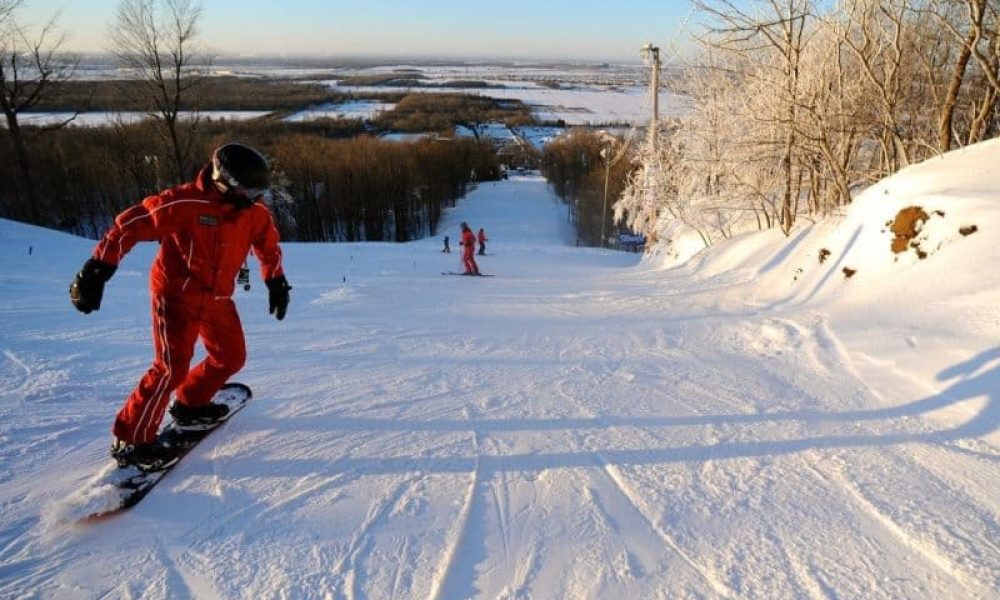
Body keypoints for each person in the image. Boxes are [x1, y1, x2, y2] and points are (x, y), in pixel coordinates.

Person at [69, 142, 292, 472]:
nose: (254, 198)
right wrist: (97, 269)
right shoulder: (186, 202)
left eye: (258, 191)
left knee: (230, 356)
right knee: (170, 367)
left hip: (217, 297)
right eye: (248, 189)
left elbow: (268, 245)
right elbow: (131, 224)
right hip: (176, 295)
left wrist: (275, 281)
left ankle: (190, 404)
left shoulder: (253, 213)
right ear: (225, 181)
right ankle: (132, 440)